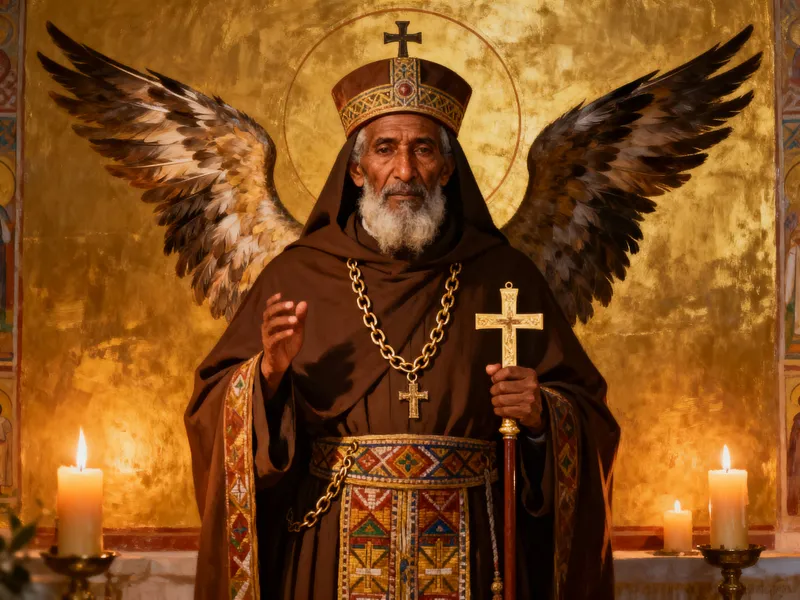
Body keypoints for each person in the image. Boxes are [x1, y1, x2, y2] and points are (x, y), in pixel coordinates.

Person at [186, 52, 620, 600]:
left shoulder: (502, 275)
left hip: (473, 551)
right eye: (386, 149)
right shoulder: (299, 274)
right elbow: (212, 412)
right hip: (333, 552)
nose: (405, 171)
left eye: (422, 149)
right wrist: (267, 377)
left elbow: (589, 415)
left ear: (447, 166)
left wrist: (541, 417)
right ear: (356, 168)